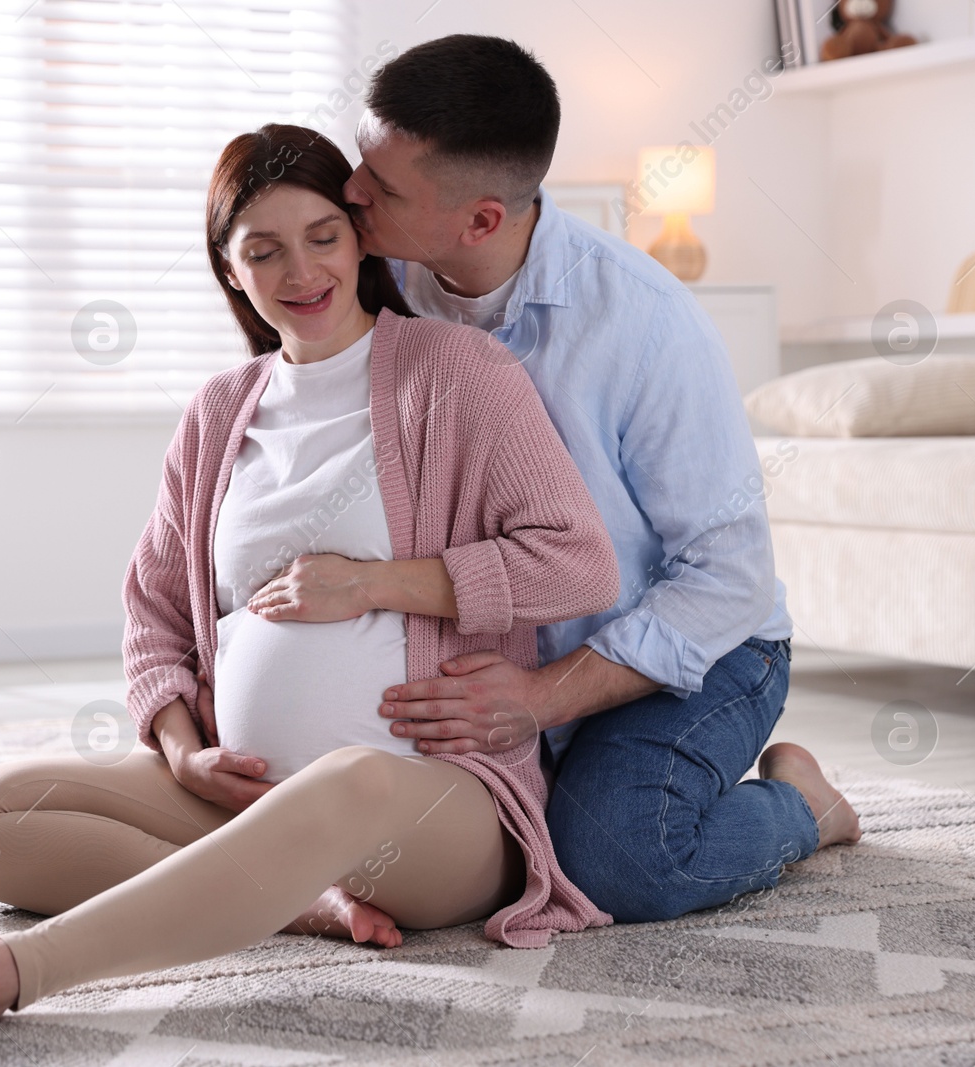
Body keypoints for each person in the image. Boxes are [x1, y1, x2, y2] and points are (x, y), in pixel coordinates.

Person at [0, 124, 621, 1050]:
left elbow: (579, 560)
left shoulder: (459, 375)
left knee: (347, 781)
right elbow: (153, 609)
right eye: (262, 249)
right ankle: (297, 898)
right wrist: (182, 745)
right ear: (230, 270)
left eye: (322, 234)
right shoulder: (220, 411)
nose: (300, 269)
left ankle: (5, 976)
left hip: (436, 807)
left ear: (359, 238)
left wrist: (372, 586)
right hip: (241, 787)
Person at [333, 34, 862, 923]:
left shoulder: (648, 327)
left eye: (381, 188)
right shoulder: (374, 281)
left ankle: (808, 805)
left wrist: (539, 698)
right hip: (496, 655)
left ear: (482, 221)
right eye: (360, 164)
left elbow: (727, 580)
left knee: (616, 859)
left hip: (696, 658)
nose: (351, 193)